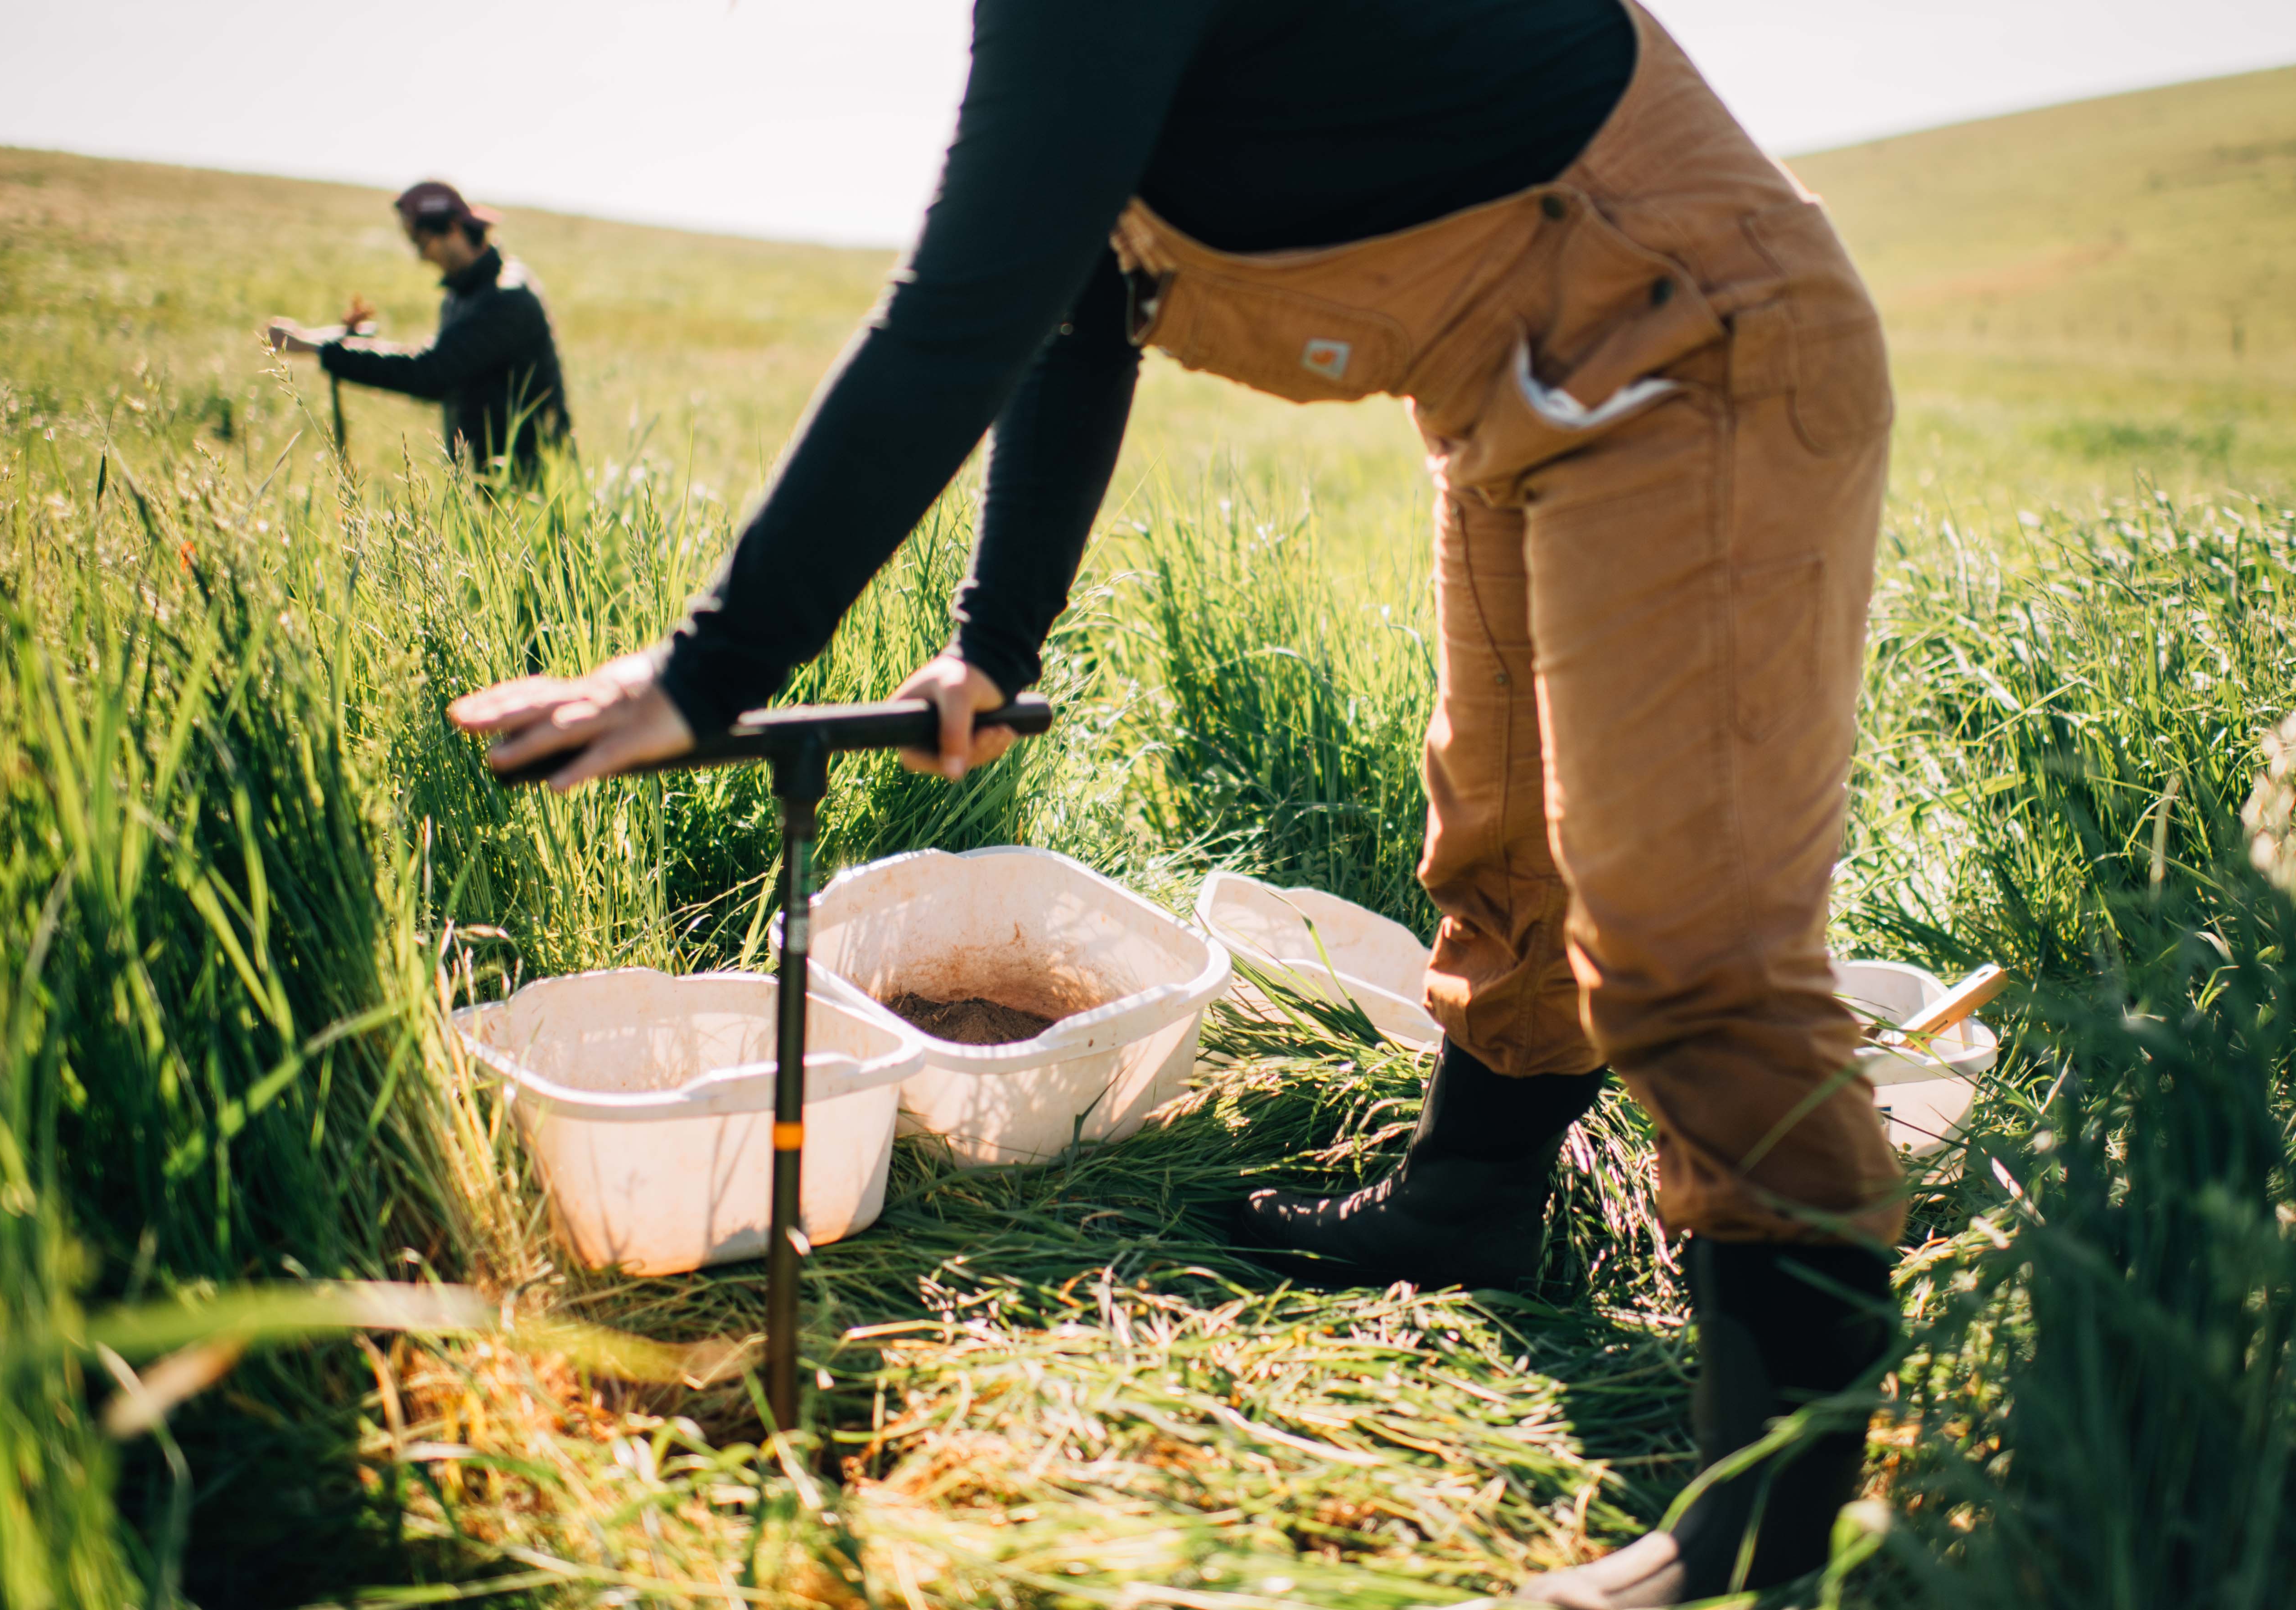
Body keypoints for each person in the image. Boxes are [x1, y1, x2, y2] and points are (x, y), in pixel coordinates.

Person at [448, 3, 1908, 1603]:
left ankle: (1768, 1529)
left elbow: (960, 313)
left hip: (1699, 344)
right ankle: (1470, 1200)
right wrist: (991, 644)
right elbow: (1075, 306)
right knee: (1507, 838)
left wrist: (704, 673)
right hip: (1520, 397)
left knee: (1688, 940)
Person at [267, 180, 571, 479]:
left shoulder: (506, 297)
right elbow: (446, 357)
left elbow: (431, 372)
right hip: (493, 477)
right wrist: (346, 341)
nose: (421, 256)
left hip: (531, 482)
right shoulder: (468, 291)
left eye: (421, 242)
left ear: (452, 228)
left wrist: (321, 349)